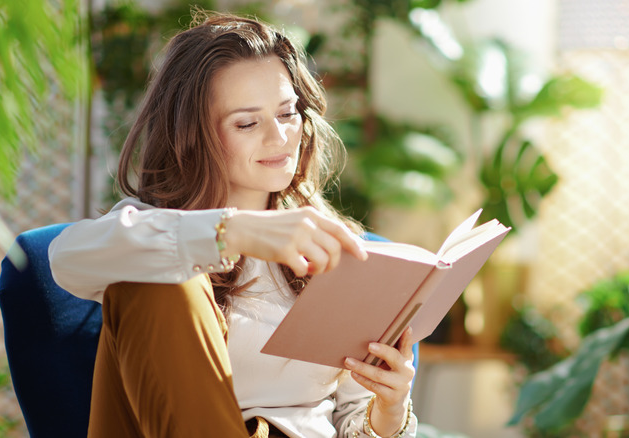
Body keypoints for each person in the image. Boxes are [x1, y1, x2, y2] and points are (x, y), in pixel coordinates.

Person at [48, 10, 417, 438]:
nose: (279, 138)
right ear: (194, 134)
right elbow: (64, 257)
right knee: (158, 272)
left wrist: (390, 408)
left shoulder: (334, 246)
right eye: (246, 123)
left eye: (287, 113)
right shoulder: (157, 231)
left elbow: (353, 422)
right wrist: (233, 231)